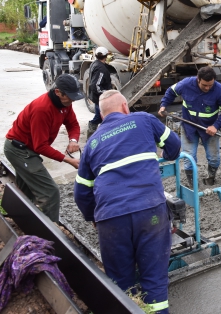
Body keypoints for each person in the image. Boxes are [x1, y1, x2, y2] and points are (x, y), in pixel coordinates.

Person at [75, 90, 180, 314]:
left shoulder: (92, 144)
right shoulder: (144, 120)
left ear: (102, 116)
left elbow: (81, 193)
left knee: (121, 282)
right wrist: (162, 158)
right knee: (153, 278)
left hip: (111, 219)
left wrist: (93, 217)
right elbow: (174, 146)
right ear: (125, 107)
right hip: (150, 211)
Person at [3, 74, 83, 222]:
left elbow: (72, 124)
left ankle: (21, 219)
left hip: (29, 148)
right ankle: (50, 232)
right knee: (50, 192)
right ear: (58, 92)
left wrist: (73, 140)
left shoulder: (65, 104)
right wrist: (67, 160)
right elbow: (40, 146)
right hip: (19, 150)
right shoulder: (42, 109)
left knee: (26, 188)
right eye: (69, 97)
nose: (72, 101)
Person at [158, 66, 221, 185]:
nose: (207, 88)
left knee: (214, 158)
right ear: (198, 79)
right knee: (189, 158)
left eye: (210, 85)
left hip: (209, 128)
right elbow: (171, 92)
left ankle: (211, 177)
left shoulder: (220, 90)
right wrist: (163, 105)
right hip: (189, 127)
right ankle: (192, 184)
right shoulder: (186, 84)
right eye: (204, 85)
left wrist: (216, 125)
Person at [87, 47, 112, 139]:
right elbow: (96, 86)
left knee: (101, 116)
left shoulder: (95, 64)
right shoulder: (101, 68)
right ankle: (91, 132)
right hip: (100, 97)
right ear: (106, 56)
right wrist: (108, 93)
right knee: (100, 116)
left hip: (97, 97)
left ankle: (94, 133)